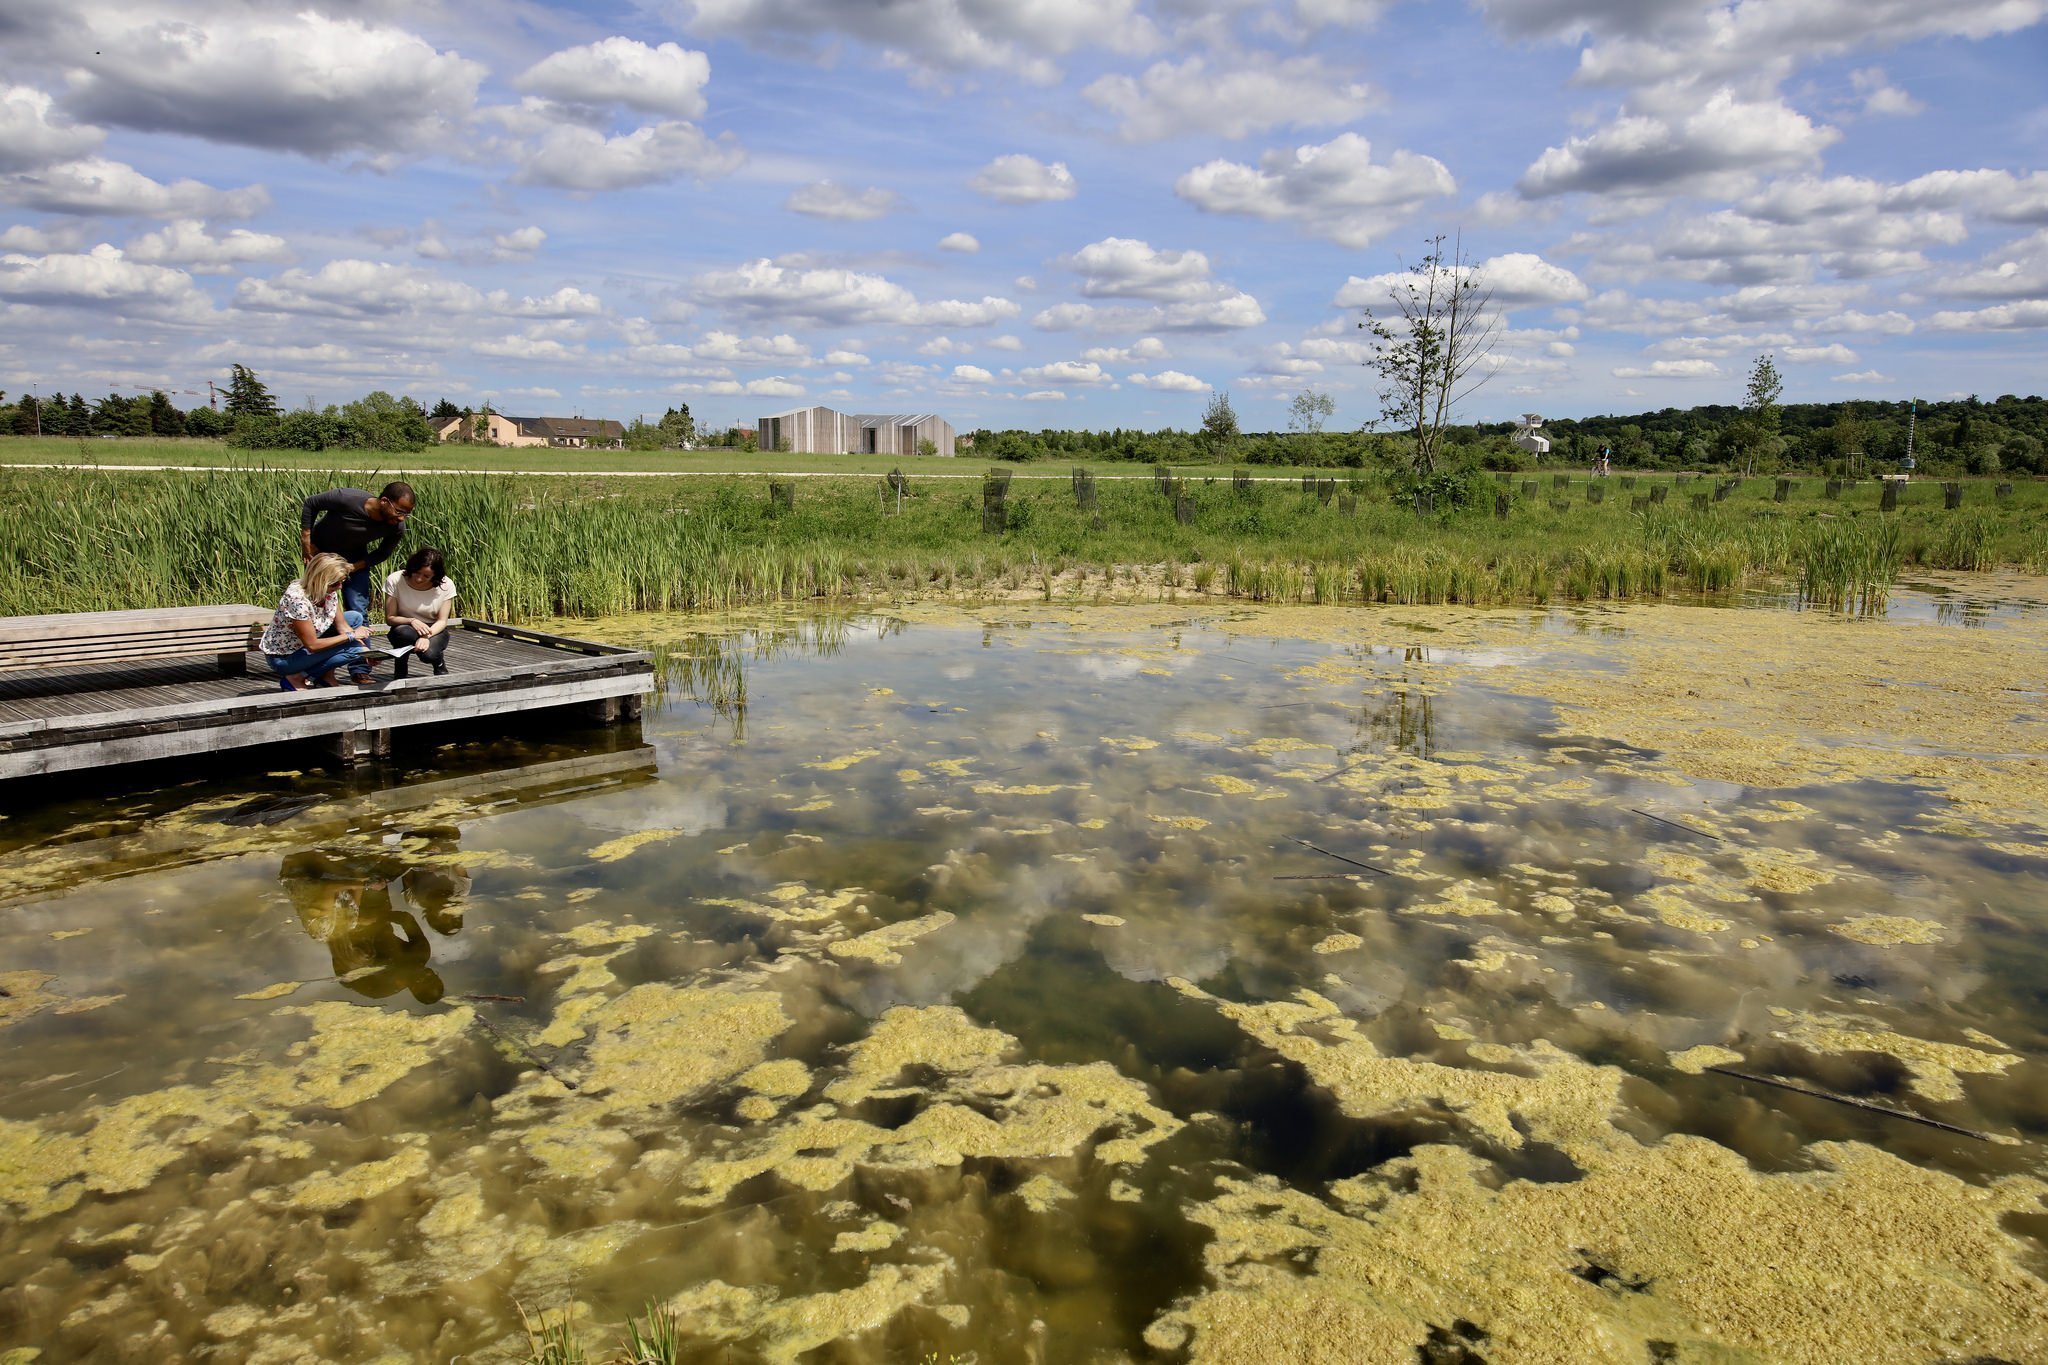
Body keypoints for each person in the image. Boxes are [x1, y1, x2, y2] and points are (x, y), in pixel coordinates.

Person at [300, 480, 414, 617]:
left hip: (354, 557)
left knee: (357, 607)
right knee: (315, 602)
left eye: (406, 514)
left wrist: (354, 567)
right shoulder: (348, 498)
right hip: (321, 552)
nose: (401, 518)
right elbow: (311, 503)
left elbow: (383, 553)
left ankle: (359, 637)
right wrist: (307, 541)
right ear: (384, 501)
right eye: (399, 511)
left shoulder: (396, 527)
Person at [260, 551, 373, 689]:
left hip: (305, 647)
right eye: (335, 584)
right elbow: (312, 645)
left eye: (342, 582)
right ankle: (297, 677)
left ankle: (325, 674)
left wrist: (367, 652)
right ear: (320, 580)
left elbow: (343, 626)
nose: (339, 587)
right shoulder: (297, 599)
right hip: (285, 657)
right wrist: (352, 637)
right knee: (353, 650)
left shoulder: (327, 591)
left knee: (354, 618)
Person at [383, 545, 458, 679]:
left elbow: (442, 621)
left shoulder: (446, 585)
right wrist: (412, 620)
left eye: (426, 576)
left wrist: (425, 637)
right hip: (405, 625)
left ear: (435, 575)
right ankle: (400, 670)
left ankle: (439, 663)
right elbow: (390, 618)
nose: (419, 578)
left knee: (428, 654)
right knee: (402, 633)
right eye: (416, 572)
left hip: (434, 628)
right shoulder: (395, 580)